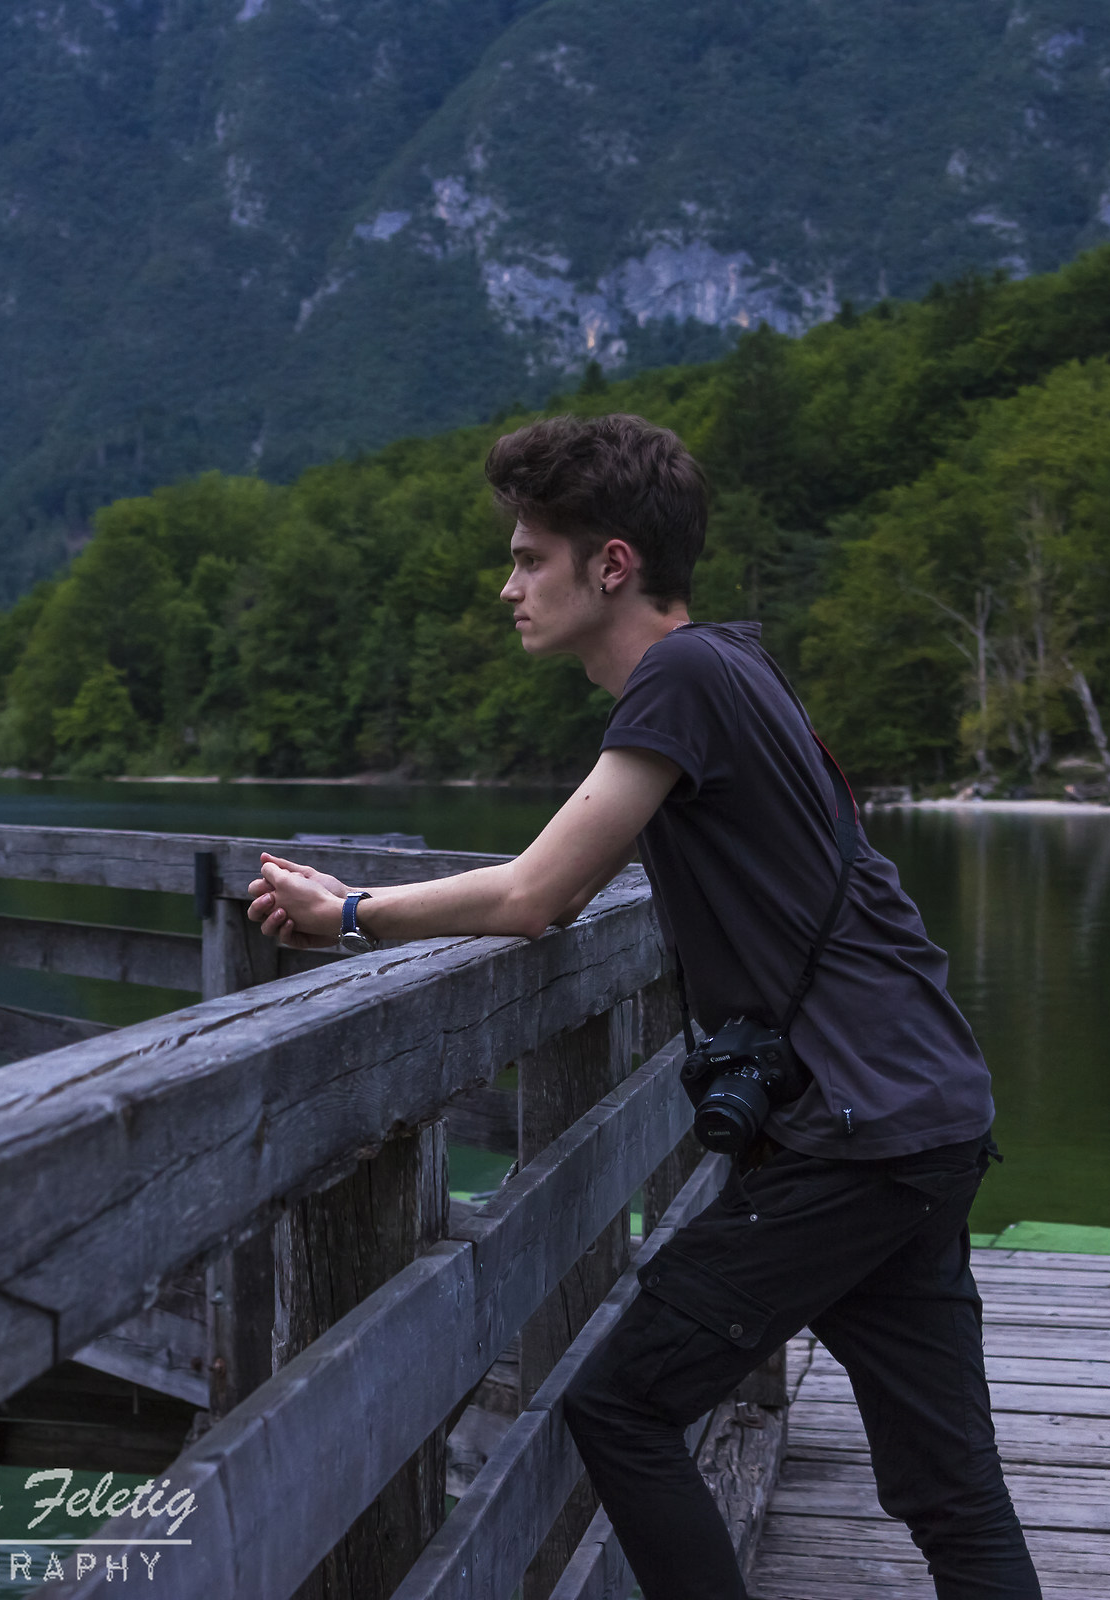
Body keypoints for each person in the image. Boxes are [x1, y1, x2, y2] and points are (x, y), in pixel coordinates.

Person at [244, 413, 1040, 1599]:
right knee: (948, 1487)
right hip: (922, 1110)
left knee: (620, 1407)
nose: (506, 584)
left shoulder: (680, 675)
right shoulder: (737, 665)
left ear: (610, 564)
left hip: (858, 1137)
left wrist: (349, 913)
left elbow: (532, 895)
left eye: (528, 557)